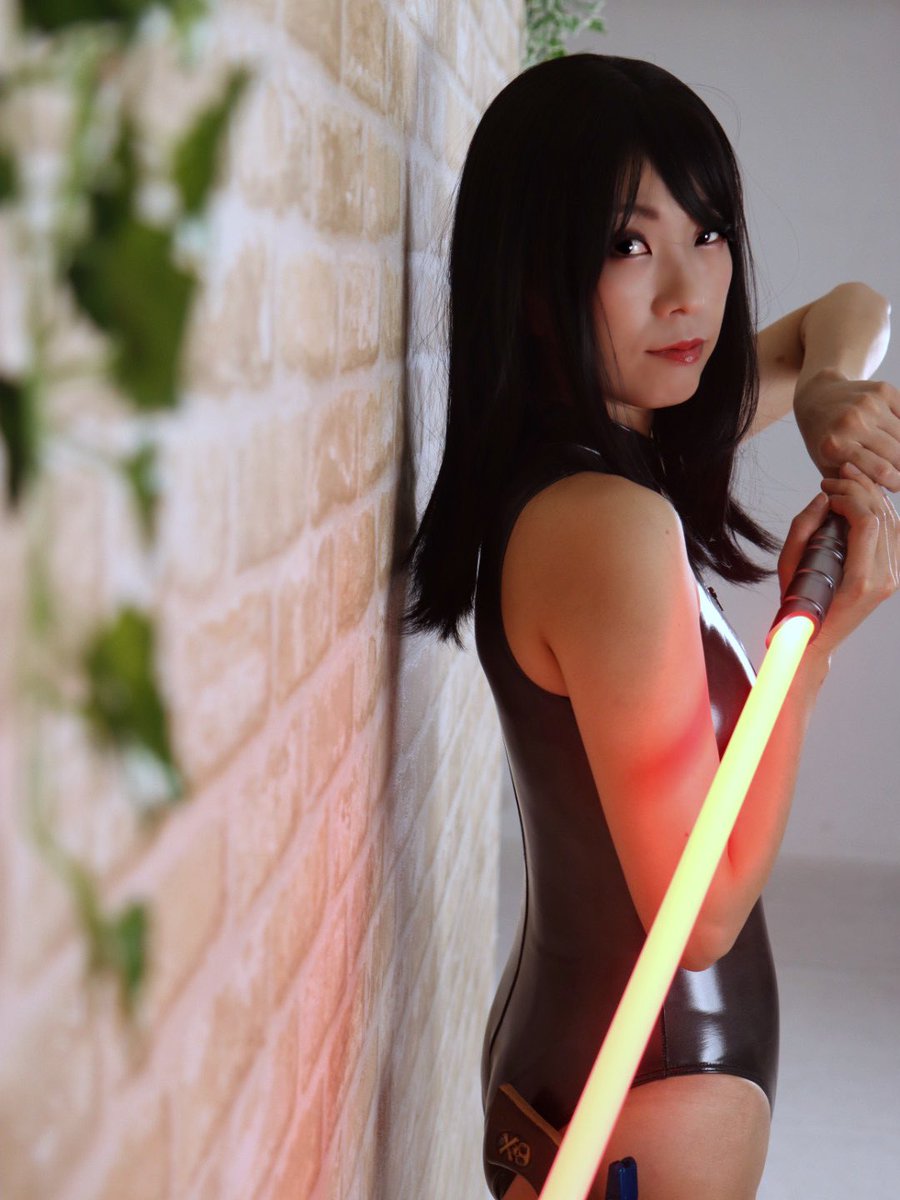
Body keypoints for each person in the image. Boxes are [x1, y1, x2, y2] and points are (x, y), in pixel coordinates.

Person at [403, 54, 900, 1200]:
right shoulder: (609, 525)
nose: (690, 292)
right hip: (650, 1098)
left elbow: (851, 312)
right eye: (628, 245)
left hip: (605, 1067)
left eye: (709, 232)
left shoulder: (608, 445)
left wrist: (825, 390)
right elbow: (700, 915)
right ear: (534, 279)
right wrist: (810, 651)